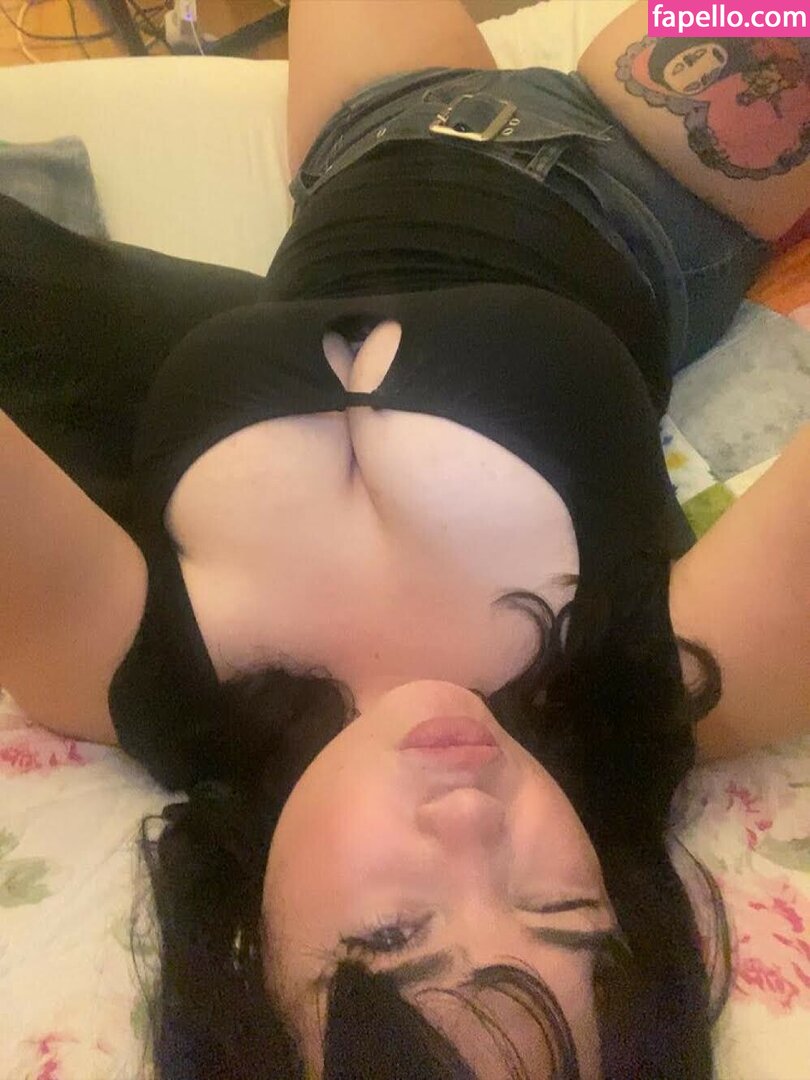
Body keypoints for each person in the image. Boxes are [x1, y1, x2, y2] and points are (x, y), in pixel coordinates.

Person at [1, 1, 809, 1076]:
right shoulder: (666, 688)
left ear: (248, 962)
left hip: (359, 128)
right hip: (664, 150)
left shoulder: (120, 673)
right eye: (561, 911)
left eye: (391, 936)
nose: (471, 823)